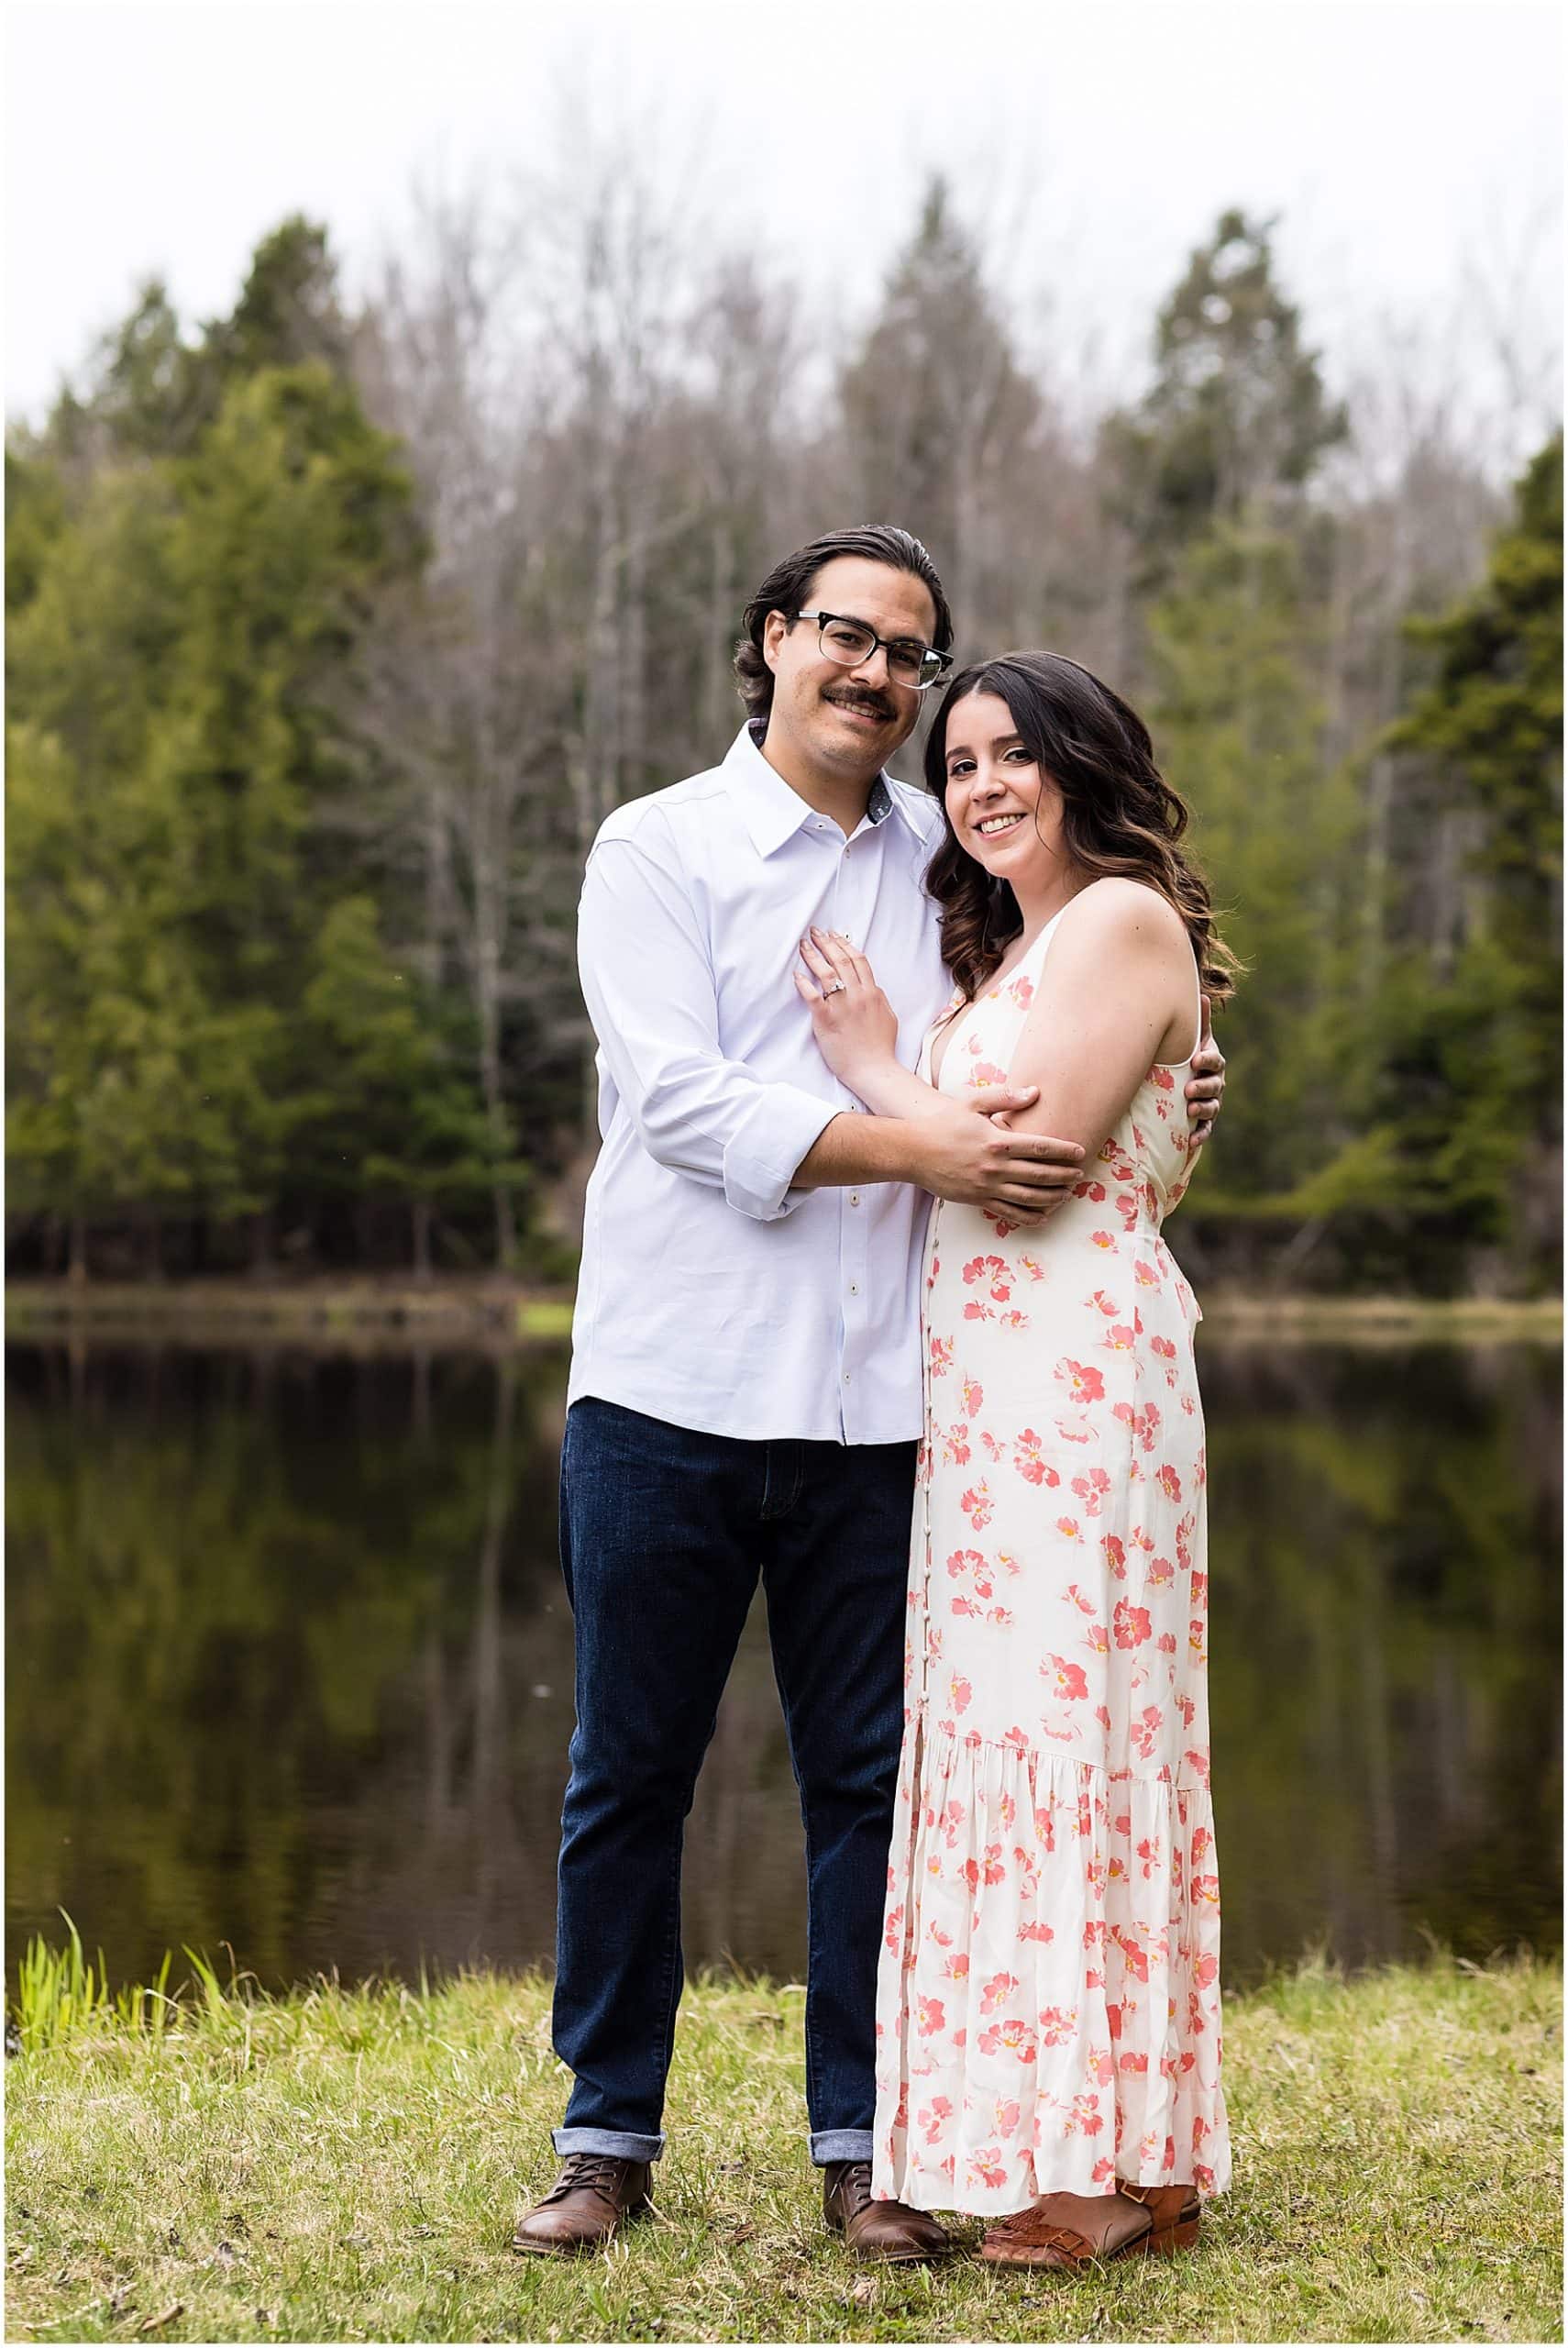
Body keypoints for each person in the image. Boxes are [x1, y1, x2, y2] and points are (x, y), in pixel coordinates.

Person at [512, 531, 1226, 2262]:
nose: (882, 677)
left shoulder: (951, 862)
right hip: (672, 1388)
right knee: (629, 1774)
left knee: (871, 1787)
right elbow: (678, 1102)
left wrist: (1169, 1089)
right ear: (770, 644)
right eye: (847, 635)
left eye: (912, 653)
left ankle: (867, 2146)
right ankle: (605, 2136)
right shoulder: (655, 847)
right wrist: (925, 1134)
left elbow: (1077, 1047)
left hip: (890, 1413)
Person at [794, 649, 1234, 2273]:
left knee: (1083, 1740)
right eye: (959, 760)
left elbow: (1028, 1175)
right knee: (1025, 1735)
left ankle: (1106, 2170)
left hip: (1075, 1396)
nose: (978, 784)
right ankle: (1128, 2146)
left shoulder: (1116, 918)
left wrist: (864, 1069)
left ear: (1080, 764)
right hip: (990, 1409)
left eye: (1011, 754)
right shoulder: (1025, 955)